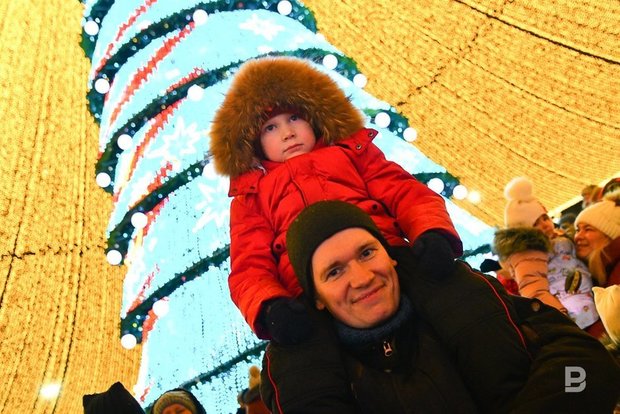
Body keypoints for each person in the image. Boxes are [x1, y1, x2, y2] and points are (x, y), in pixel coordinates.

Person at [210, 57, 533, 412]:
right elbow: (249, 264)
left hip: (388, 255)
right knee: (300, 369)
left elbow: (404, 192)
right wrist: (270, 305)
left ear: (314, 117)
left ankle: (510, 388)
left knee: (460, 297)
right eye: (270, 127)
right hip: (309, 292)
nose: (287, 132)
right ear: (254, 142)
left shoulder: (352, 152)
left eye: (294, 118)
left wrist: (431, 231)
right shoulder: (252, 195)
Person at [277, 200, 620, 413]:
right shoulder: (324, 376)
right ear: (317, 298)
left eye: (367, 253)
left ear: (390, 256)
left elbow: (583, 369)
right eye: (335, 271)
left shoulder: (467, 301)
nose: (362, 278)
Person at [493, 177, 599, 330]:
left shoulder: (555, 238)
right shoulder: (527, 253)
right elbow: (534, 290)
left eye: (544, 218)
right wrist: (561, 317)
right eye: (535, 223)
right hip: (572, 312)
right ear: (525, 231)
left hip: (586, 297)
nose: (544, 225)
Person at [574, 189, 620, 340]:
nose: (578, 236)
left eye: (588, 229)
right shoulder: (601, 269)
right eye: (577, 229)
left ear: (610, 234)